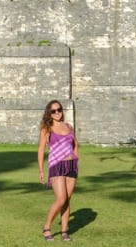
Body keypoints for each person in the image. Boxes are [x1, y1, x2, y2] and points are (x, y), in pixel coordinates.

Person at [37, 99, 78, 242]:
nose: (57, 113)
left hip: (71, 165)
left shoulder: (69, 127)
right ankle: (47, 227)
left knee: (67, 200)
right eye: (53, 111)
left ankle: (64, 231)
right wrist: (41, 170)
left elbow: (75, 144)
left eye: (59, 109)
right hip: (56, 165)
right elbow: (41, 149)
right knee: (60, 199)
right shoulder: (46, 128)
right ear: (49, 113)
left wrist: (76, 157)